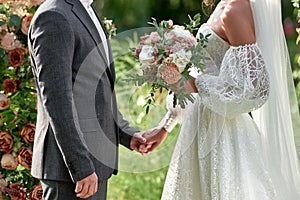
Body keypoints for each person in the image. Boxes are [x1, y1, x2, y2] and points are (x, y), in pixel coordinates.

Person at [140, 0, 300, 199]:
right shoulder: (225, 4)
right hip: (199, 127)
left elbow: (256, 87)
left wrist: (193, 81)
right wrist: (166, 125)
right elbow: (203, 74)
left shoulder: (235, 10)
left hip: (222, 134)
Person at [28, 0, 147, 199]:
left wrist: (127, 134)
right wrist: (80, 166)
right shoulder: (54, 16)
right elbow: (57, 99)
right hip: (71, 173)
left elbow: (95, 89)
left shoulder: (86, 9)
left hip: (94, 166)